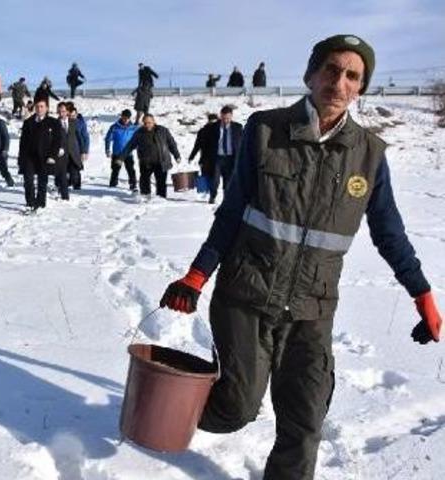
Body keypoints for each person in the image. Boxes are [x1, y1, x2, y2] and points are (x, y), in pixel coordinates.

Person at [160, 34, 442, 480]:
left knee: (306, 419)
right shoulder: (265, 130)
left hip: (312, 308)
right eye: (331, 69)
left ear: (361, 88)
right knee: (235, 409)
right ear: (311, 74)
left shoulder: (369, 156)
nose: (340, 81)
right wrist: (197, 276)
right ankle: (163, 405)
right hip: (247, 293)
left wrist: (421, 294)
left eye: (353, 75)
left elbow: (389, 233)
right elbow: (232, 212)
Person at [119, 113, 181, 198]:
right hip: (146, 162)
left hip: (161, 161)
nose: (147, 125)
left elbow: (172, 144)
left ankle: (161, 200)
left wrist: (177, 155)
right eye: (145, 123)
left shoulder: (163, 131)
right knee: (144, 182)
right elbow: (130, 145)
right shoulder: (139, 133)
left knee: (161, 183)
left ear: (154, 122)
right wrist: (121, 157)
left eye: (149, 122)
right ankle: (145, 198)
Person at [18, 99, 61, 210]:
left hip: (45, 157)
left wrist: (52, 156)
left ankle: (40, 203)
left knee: (42, 181)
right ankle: (30, 203)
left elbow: (57, 141)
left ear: (46, 108)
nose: (39, 109)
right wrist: (20, 159)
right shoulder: (28, 122)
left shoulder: (53, 122)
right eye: (37, 106)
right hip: (29, 157)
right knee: (28, 180)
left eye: (42, 106)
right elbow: (23, 142)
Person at [188, 113, 221, 202]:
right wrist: (192, 156)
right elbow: (197, 145)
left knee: (215, 178)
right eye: (211, 121)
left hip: (217, 158)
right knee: (206, 177)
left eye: (214, 121)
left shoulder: (221, 130)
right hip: (205, 158)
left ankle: (213, 195)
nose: (212, 123)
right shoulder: (203, 131)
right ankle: (207, 192)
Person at [104, 109, 139, 191]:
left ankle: (133, 184)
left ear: (130, 118)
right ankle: (113, 184)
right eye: (124, 118)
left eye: (127, 118)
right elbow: (108, 139)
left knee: (130, 169)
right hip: (117, 153)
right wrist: (107, 149)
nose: (125, 120)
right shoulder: (114, 127)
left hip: (128, 153)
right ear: (121, 117)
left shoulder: (133, 128)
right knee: (115, 169)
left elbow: (137, 139)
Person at [53, 102, 81, 198]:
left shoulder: (74, 122)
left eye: (63, 111)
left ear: (67, 112)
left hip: (73, 154)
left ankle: (63, 184)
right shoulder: (54, 124)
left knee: (74, 178)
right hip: (60, 155)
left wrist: (84, 151)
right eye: (59, 111)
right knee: (62, 176)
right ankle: (64, 197)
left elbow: (79, 137)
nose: (61, 114)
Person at [214, 105, 243, 192]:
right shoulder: (214, 127)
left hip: (231, 158)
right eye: (223, 118)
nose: (225, 120)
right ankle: (213, 195)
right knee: (215, 179)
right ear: (220, 116)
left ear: (231, 116)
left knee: (228, 181)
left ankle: (226, 198)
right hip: (218, 158)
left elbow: (241, 142)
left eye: (228, 118)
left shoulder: (238, 127)